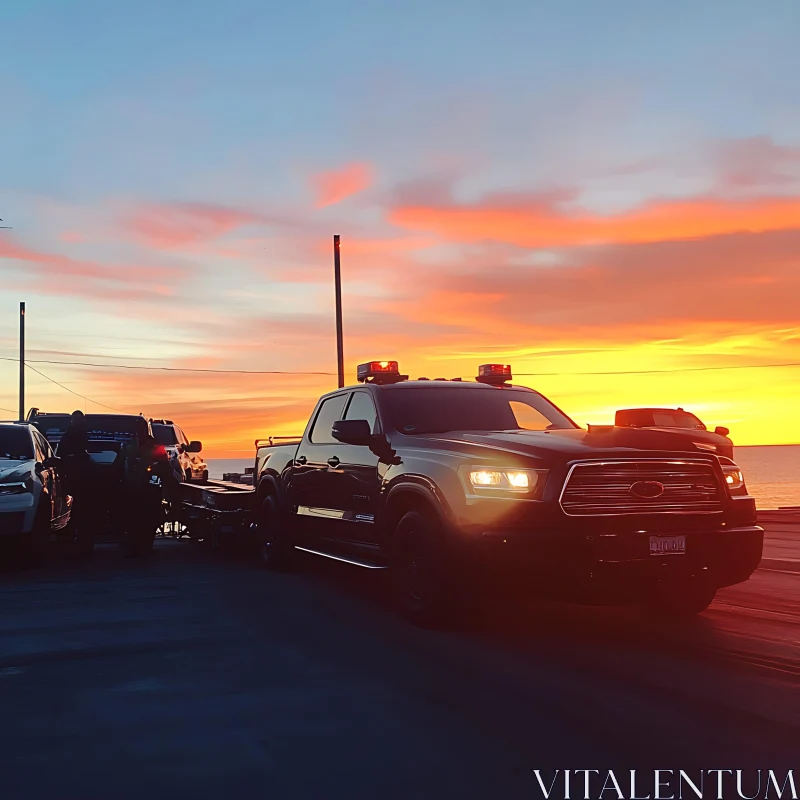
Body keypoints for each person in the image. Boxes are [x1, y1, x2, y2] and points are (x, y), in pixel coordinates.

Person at [114, 435, 168, 556]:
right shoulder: (132, 450)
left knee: (139, 521)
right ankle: (140, 546)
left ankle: (138, 546)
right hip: (142, 493)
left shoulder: (129, 449)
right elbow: (166, 471)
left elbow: (117, 469)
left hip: (140, 492)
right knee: (142, 521)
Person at [56, 410, 95, 557]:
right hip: (71, 480)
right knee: (72, 513)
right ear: (71, 420)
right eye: (75, 419)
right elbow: (60, 456)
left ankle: (83, 544)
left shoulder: (86, 436)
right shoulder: (67, 437)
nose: (77, 421)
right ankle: (70, 542)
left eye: (80, 419)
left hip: (84, 482)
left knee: (85, 514)